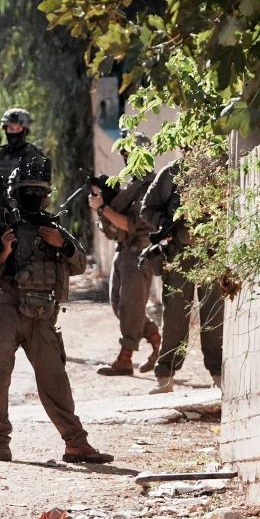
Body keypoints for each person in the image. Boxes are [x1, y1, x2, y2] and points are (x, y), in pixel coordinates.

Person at [0, 156, 113, 465]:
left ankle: (76, 444)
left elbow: (79, 264)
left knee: (55, 380)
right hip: (6, 312)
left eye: (39, 192)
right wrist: (4, 251)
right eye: (28, 191)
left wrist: (62, 243)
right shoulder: (3, 228)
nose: (34, 197)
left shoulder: (54, 228)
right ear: (16, 193)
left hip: (41, 315)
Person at [140, 157, 224, 392]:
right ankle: (165, 375)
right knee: (175, 316)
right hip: (179, 254)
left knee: (214, 315)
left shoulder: (221, 166)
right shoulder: (172, 172)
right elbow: (147, 209)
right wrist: (164, 223)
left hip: (211, 253)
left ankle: (218, 375)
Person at [90, 134, 162, 376]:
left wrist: (102, 208)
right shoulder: (132, 184)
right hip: (124, 252)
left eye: (130, 152)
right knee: (119, 306)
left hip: (139, 254)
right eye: (124, 153)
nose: (126, 157)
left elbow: (130, 224)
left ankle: (125, 359)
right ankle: (155, 339)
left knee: (130, 307)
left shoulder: (150, 187)